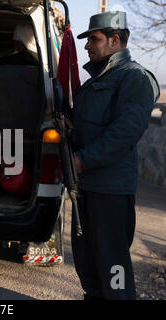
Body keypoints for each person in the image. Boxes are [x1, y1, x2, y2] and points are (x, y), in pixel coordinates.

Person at [71, 11, 160, 300]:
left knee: (114, 271)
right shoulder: (98, 79)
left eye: (93, 40)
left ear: (116, 40)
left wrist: (82, 160)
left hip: (110, 191)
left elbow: (124, 133)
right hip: (85, 188)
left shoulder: (134, 78)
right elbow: (88, 127)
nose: (87, 46)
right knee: (88, 267)